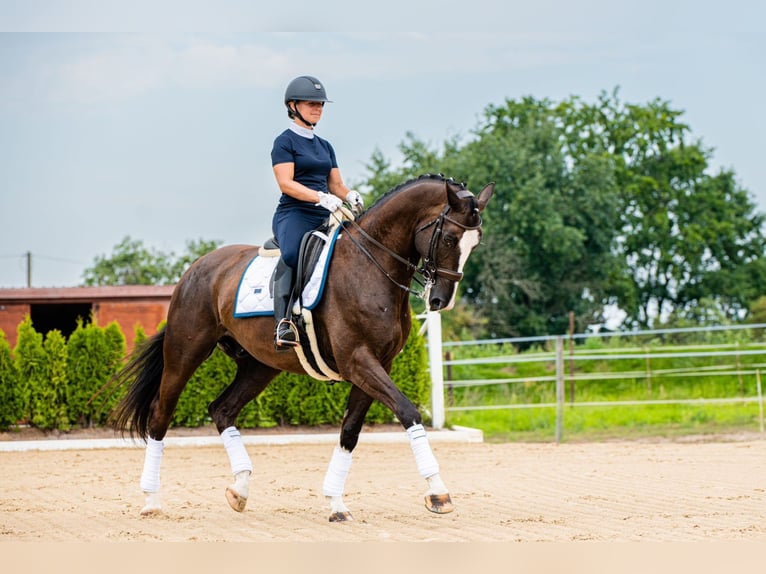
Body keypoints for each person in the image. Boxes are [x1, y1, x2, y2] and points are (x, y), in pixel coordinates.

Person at [270, 75, 363, 350]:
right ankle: (283, 322)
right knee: (291, 254)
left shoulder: (325, 146)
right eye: (312, 103)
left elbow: (336, 185)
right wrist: (319, 197)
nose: (318, 109)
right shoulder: (284, 142)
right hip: (295, 213)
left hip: (327, 213)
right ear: (293, 106)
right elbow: (286, 183)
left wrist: (349, 195)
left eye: (321, 104)